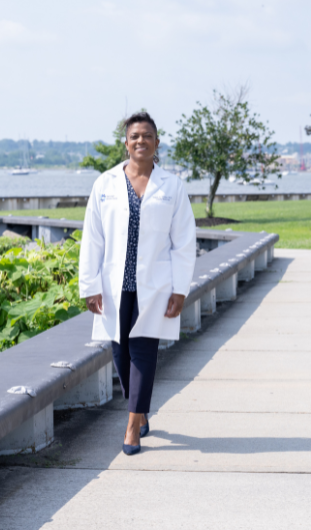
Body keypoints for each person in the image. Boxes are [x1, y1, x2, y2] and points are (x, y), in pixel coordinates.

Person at [79, 112, 196, 456]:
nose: (140, 141)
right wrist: (90, 284)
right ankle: (139, 406)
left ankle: (132, 425)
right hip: (115, 283)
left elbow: (184, 241)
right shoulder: (105, 185)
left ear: (157, 143)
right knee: (119, 349)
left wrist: (180, 288)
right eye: (134, 136)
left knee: (143, 349)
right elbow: (93, 239)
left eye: (147, 136)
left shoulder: (172, 187)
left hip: (155, 284)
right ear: (126, 142)